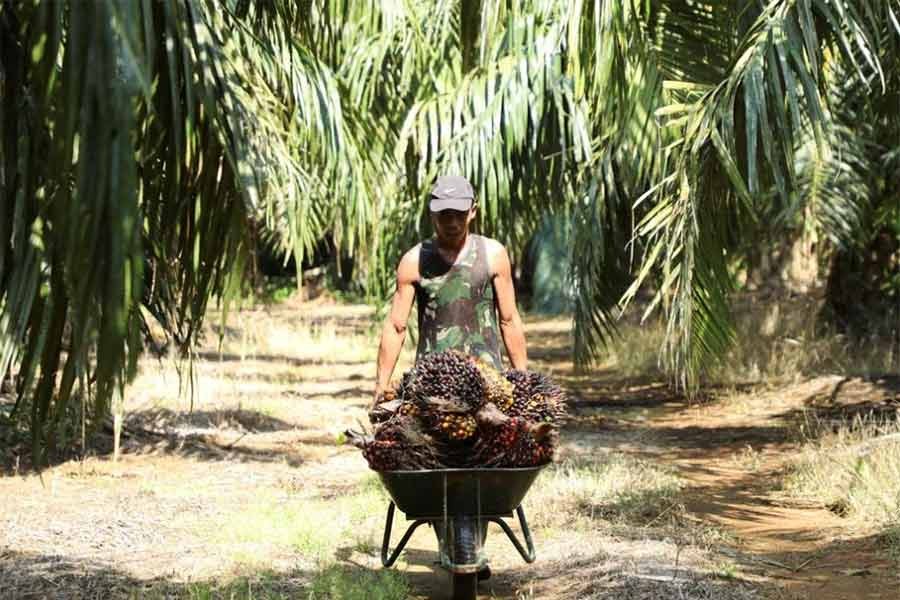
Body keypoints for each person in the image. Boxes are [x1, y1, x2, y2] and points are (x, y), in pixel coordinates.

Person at [373, 175, 528, 407]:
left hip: (486, 382)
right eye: (445, 214)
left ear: (473, 211)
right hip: (432, 384)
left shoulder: (493, 255)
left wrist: (523, 381)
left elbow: (509, 320)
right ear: (432, 214)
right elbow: (396, 327)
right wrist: (380, 386)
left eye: (459, 214)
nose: (453, 223)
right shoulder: (414, 261)